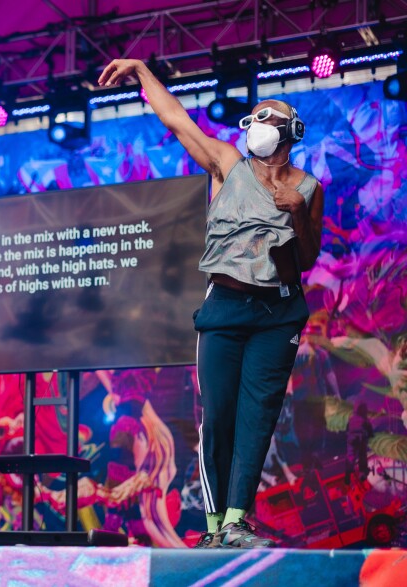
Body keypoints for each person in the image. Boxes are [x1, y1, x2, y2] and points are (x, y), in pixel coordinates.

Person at [98, 59, 324, 548]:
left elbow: (306, 257)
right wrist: (141, 72)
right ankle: (214, 525)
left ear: (290, 132)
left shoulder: (308, 188)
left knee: (257, 415)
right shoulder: (226, 163)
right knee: (217, 415)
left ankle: (238, 521)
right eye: (255, 117)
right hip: (224, 305)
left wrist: (299, 212)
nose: (257, 124)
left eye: (268, 117)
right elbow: (176, 118)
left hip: (279, 311)